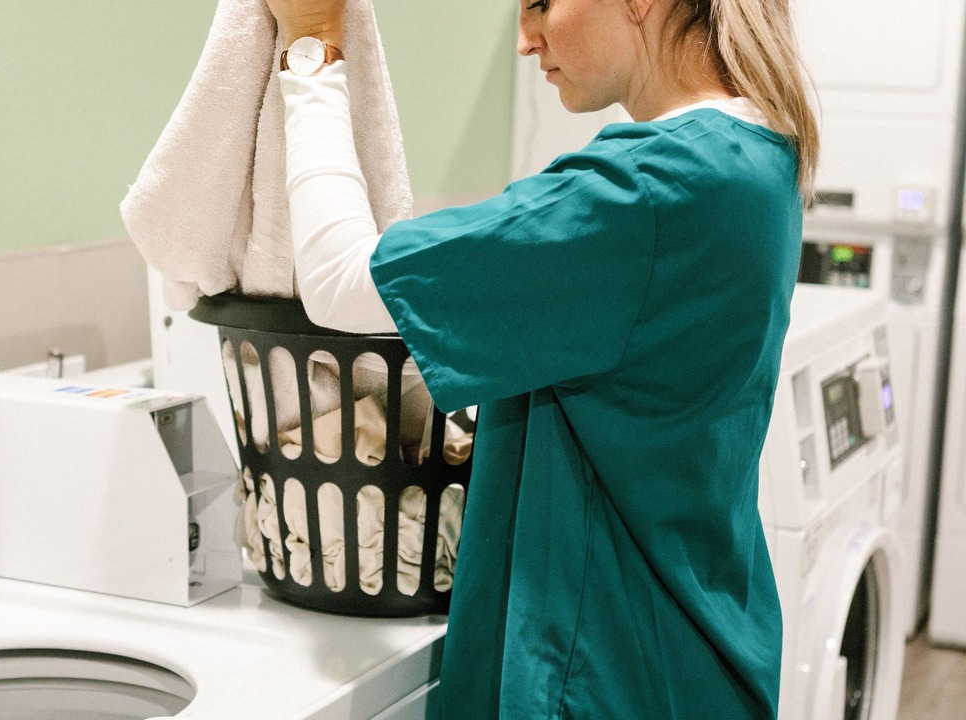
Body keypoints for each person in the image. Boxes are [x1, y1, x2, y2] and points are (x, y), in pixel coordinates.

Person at [264, 0, 818, 717]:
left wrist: (312, 47)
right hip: (696, 652)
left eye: (540, 4)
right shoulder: (760, 154)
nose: (526, 41)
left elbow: (338, 281)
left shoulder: (644, 191)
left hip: (603, 678)